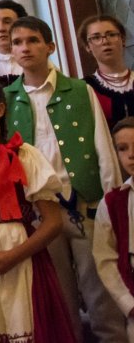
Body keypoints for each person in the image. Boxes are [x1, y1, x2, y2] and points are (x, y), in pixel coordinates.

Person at [5, 15, 126, 342]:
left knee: (101, 293)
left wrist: (110, 203)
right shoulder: (7, 99)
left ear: (50, 46)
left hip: (84, 204)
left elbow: (103, 146)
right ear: (11, 51)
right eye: (17, 43)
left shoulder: (80, 90)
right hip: (40, 214)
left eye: (32, 40)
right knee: (59, 298)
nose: (25, 48)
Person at [0, 76, 74, 343]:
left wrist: (14, 255)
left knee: (23, 323)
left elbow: (53, 222)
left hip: (20, 257)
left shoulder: (23, 155)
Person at [93, 117, 134, 341]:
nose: (131, 155)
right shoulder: (112, 203)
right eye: (122, 148)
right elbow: (105, 258)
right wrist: (128, 303)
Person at [82, 14, 134, 130]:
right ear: (87, 46)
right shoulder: (84, 88)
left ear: (123, 39)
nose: (105, 41)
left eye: (111, 35)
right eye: (96, 37)